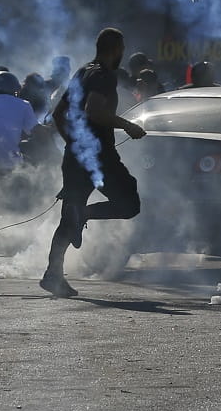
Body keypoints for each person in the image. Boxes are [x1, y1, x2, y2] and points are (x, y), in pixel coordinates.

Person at [41, 28, 148, 298]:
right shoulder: (103, 76)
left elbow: (57, 114)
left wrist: (71, 143)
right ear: (115, 50)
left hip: (76, 156)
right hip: (99, 157)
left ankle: (53, 275)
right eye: (121, 49)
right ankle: (85, 215)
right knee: (128, 203)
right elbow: (95, 110)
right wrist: (128, 126)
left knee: (69, 216)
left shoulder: (82, 72)